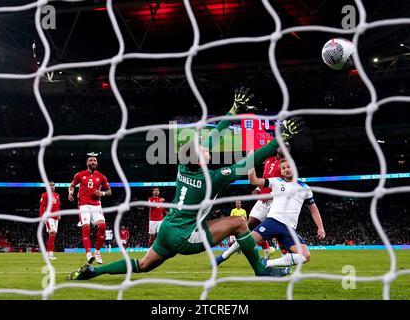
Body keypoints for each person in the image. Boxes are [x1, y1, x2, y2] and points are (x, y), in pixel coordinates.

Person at [68, 87, 303, 281]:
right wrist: (279, 139)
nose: (206, 147)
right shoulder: (211, 178)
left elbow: (214, 136)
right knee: (240, 223)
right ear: (199, 158)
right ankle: (261, 271)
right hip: (185, 236)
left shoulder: (184, 167)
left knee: (143, 265)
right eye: (202, 149)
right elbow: (251, 160)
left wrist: (233, 111)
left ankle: (94, 271)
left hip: (168, 228)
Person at [216, 143, 289, 265]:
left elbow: (284, 185)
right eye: (281, 145)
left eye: (286, 147)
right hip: (262, 201)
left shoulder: (287, 165)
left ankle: (285, 258)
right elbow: (266, 179)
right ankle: (223, 256)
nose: (283, 148)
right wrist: (259, 190)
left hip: (275, 201)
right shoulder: (268, 160)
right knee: (246, 228)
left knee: (278, 230)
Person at [248, 158, 326, 268]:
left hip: (289, 228)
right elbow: (254, 181)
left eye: (288, 167)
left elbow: (313, 209)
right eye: (283, 168)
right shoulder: (276, 181)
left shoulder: (305, 188)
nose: (286, 169)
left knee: (305, 256)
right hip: (273, 222)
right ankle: (222, 257)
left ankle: (266, 263)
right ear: (281, 171)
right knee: (248, 242)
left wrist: (320, 227)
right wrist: (250, 162)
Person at [68, 152, 112, 264]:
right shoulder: (80, 175)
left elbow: (109, 191)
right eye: (91, 160)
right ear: (87, 163)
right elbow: (72, 185)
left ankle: (97, 252)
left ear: (97, 163)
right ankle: (88, 253)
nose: (93, 162)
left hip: (96, 205)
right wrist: (70, 193)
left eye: (95, 160)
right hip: (83, 205)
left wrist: (101, 193)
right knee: (86, 228)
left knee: (102, 227)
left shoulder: (101, 176)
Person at [39, 181, 61, 260]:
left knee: (53, 234)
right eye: (50, 185)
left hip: (55, 218)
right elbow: (42, 207)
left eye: (53, 185)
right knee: (52, 232)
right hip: (48, 217)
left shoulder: (57, 195)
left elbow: (58, 205)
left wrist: (59, 214)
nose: (52, 187)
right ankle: (49, 253)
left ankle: (49, 253)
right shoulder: (44, 195)